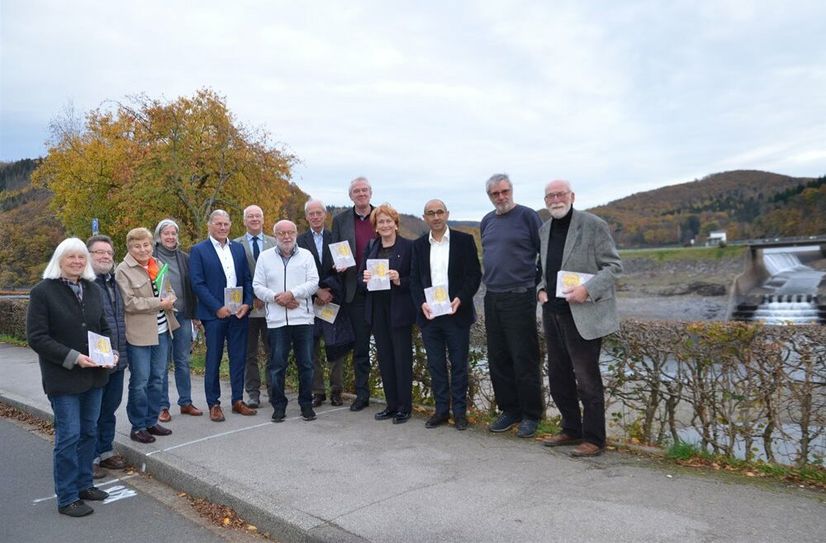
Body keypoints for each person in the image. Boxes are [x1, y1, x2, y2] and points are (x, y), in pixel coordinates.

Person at [537, 180, 622, 457]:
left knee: (587, 379)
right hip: (553, 313)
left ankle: (595, 439)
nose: (555, 199)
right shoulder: (545, 229)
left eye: (560, 194)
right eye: (550, 195)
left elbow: (613, 267)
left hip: (583, 314)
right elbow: (543, 268)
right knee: (559, 376)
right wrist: (540, 289)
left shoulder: (593, 224)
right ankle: (571, 429)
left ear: (572, 196)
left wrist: (588, 290)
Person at [27, 238, 112, 516]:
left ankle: (84, 484)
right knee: (69, 436)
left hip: (95, 376)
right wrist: (74, 357)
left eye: (80, 257)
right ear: (59, 260)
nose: (77, 261)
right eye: (70, 257)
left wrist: (111, 353)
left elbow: (102, 327)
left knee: (89, 432)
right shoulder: (43, 292)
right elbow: (37, 337)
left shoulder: (93, 289)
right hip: (63, 378)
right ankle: (66, 496)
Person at [480, 173, 544, 438]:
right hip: (493, 295)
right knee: (498, 357)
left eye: (505, 191)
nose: (501, 197)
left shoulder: (528, 216)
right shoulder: (487, 222)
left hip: (520, 295)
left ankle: (531, 415)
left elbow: (544, 252)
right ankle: (509, 410)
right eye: (495, 194)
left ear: (512, 190)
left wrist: (535, 284)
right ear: (489, 196)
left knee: (523, 357)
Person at [410, 200, 482, 431]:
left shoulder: (464, 241)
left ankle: (460, 413)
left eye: (439, 212)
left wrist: (461, 298)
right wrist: (421, 303)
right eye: (431, 213)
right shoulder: (418, 245)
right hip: (430, 315)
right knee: (436, 365)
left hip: (456, 313)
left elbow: (474, 276)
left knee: (459, 365)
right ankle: (441, 410)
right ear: (424, 218)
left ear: (447, 214)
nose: (436, 217)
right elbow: (413, 281)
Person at [189, 209, 256, 421]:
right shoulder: (199, 250)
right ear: (210, 225)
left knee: (238, 357)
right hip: (214, 315)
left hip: (238, 314)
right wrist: (217, 307)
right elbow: (197, 284)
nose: (222, 228)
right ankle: (214, 403)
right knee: (214, 358)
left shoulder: (238, 248)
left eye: (226, 224)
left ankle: (237, 400)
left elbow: (246, 279)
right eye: (218, 224)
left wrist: (247, 303)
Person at [116, 227, 179, 444]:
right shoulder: (123, 270)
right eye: (137, 246)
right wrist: (159, 303)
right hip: (139, 334)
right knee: (140, 381)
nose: (143, 249)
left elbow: (169, 290)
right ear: (129, 248)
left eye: (146, 245)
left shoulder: (158, 265)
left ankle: (152, 421)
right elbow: (129, 303)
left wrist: (171, 297)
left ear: (152, 245)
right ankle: (138, 425)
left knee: (158, 378)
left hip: (162, 330)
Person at [253, 220, 319, 422]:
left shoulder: (306, 255)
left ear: (296, 233)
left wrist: (292, 294)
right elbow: (257, 286)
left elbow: (314, 283)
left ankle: (306, 405)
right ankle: (278, 406)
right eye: (281, 233)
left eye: (290, 232)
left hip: (303, 319)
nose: (286, 236)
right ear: (275, 235)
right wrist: (276, 298)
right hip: (277, 321)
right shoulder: (265, 257)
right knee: (277, 365)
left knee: (306, 364)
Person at [361, 203, 416, 424]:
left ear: (395, 224)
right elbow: (360, 278)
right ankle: (391, 405)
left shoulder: (409, 247)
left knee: (402, 359)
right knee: (384, 359)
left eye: (388, 221)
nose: (384, 225)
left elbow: (416, 280)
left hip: (399, 310)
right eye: (380, 221)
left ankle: (405, 406)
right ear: (375, 226)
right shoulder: (371, 246)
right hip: (378, 310)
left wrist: (398, 279)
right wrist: (364, 279)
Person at [331, 176, 377, 411]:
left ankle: (395, 396)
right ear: (351, 196)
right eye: (356, 191)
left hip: (381, 291)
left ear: (371, 193)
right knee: (360, 347)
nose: (361, 194)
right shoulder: (340, 220)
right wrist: (336, 266)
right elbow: (335, 251)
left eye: (364, 190)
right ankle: (362, 394)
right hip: (353, 290)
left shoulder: (382, 216)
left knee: (386, 345)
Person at [86, 235, 129, 478]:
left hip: (117, 355)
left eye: (109, 254)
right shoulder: (85, 283)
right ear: (89, 255)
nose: (105, 257)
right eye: (99, 252)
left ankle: (105, 451)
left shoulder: (113, 281)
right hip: (95, 358)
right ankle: (88, 457)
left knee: (110, 407)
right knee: (93, 409)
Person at [153, 219, 203, 421]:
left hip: (182, 314)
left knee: (183, 360)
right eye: (166, 233)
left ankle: (185, 402)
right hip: (161, 315)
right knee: (162, 362)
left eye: (174, 233)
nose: (171, 237)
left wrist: (195, 314)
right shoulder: (151, 258)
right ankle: (162, 406)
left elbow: (192, 287)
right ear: (159, 235)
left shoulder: (184, 258)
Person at [297, 198, 345, 407]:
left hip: (332, 301)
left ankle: (336, 390)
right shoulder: (299, 241)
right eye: (311, 213)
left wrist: (329, 291)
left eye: (319, 213)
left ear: (325, 215)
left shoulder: (337, 238)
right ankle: (317, 391)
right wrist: (316, 291)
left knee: (336, 348)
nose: (315, 217)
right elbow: (297, 273)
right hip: (309, 301)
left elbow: (343, 270)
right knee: (311, 349)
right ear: (306, 216)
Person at [234, 205, 276, 408]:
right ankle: (252, 393)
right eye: (250, 216)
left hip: (271, 307)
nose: (254, 219)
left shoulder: (274, 243)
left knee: (272, 351)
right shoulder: (234, 245)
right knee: (249, 353)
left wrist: (264, 295)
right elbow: (235, 277)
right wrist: (251, 298)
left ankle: (273, 390)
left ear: (263, 219)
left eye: (257, 215)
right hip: (247, 309)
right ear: (244, 221)